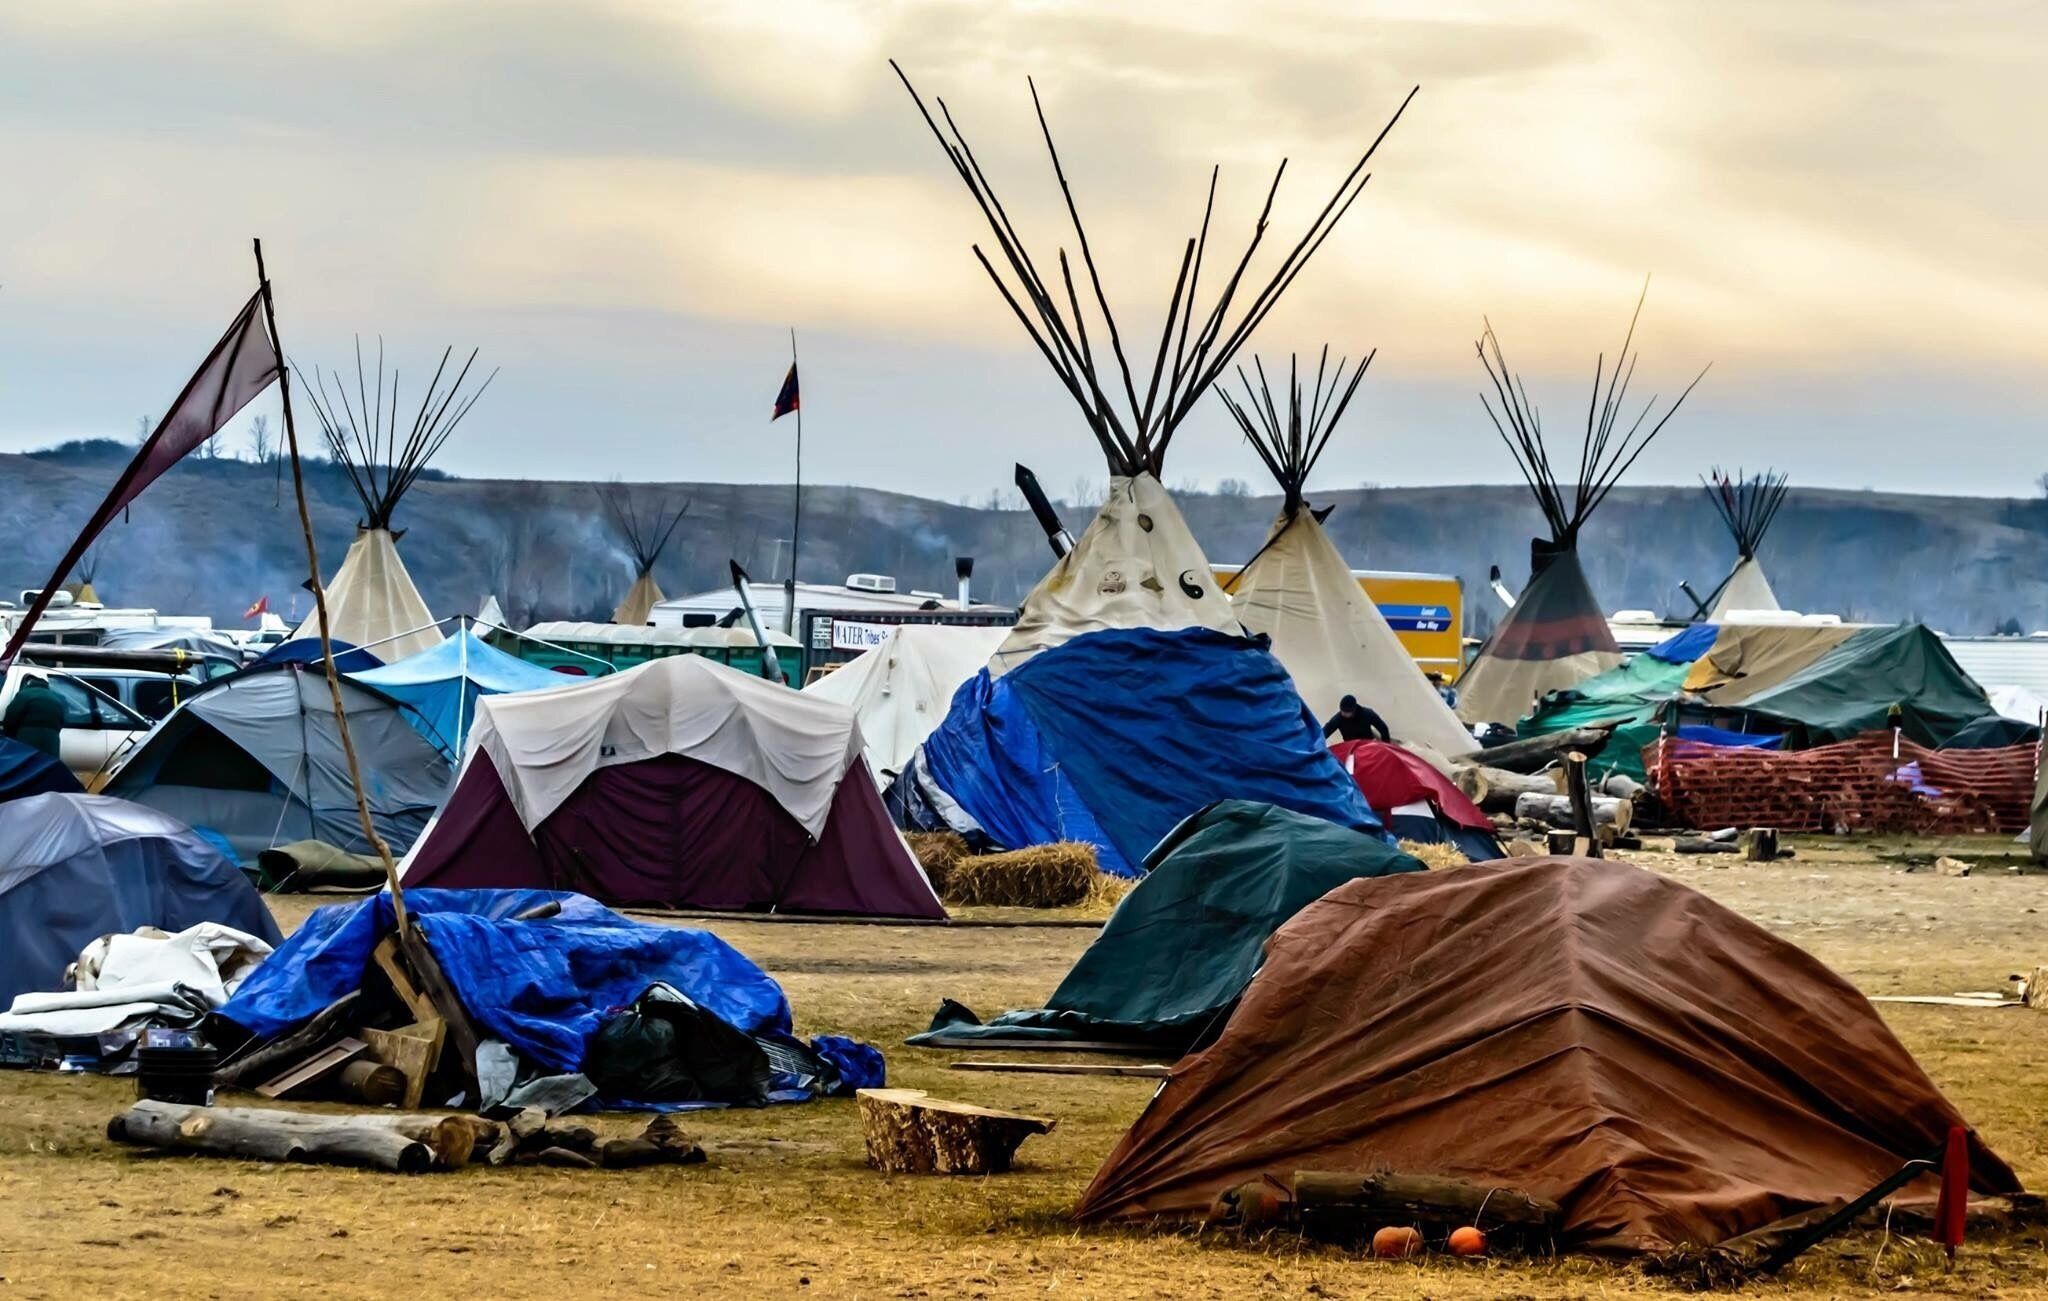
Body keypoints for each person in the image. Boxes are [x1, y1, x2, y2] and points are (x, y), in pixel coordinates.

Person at [3, 675, 66, 760]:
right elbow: (61, 721)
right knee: (47, 765)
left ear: (30, 683)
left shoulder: (24, 694)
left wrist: (8, 735)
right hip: (51, 741)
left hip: (27, 737)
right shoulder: (56, 698)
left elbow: (11, 715)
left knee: (26, 766)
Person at [1323, 694, 1391, 744]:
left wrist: (1386, 744)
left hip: (1368, 744)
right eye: (1341, 711)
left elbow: (1383, 728)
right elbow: (1326, 731)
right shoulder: (1338, 718)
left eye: (1346, 712)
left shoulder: (1367, 714)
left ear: (1353, 711)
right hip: (1351, 746)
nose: (1343, 713)